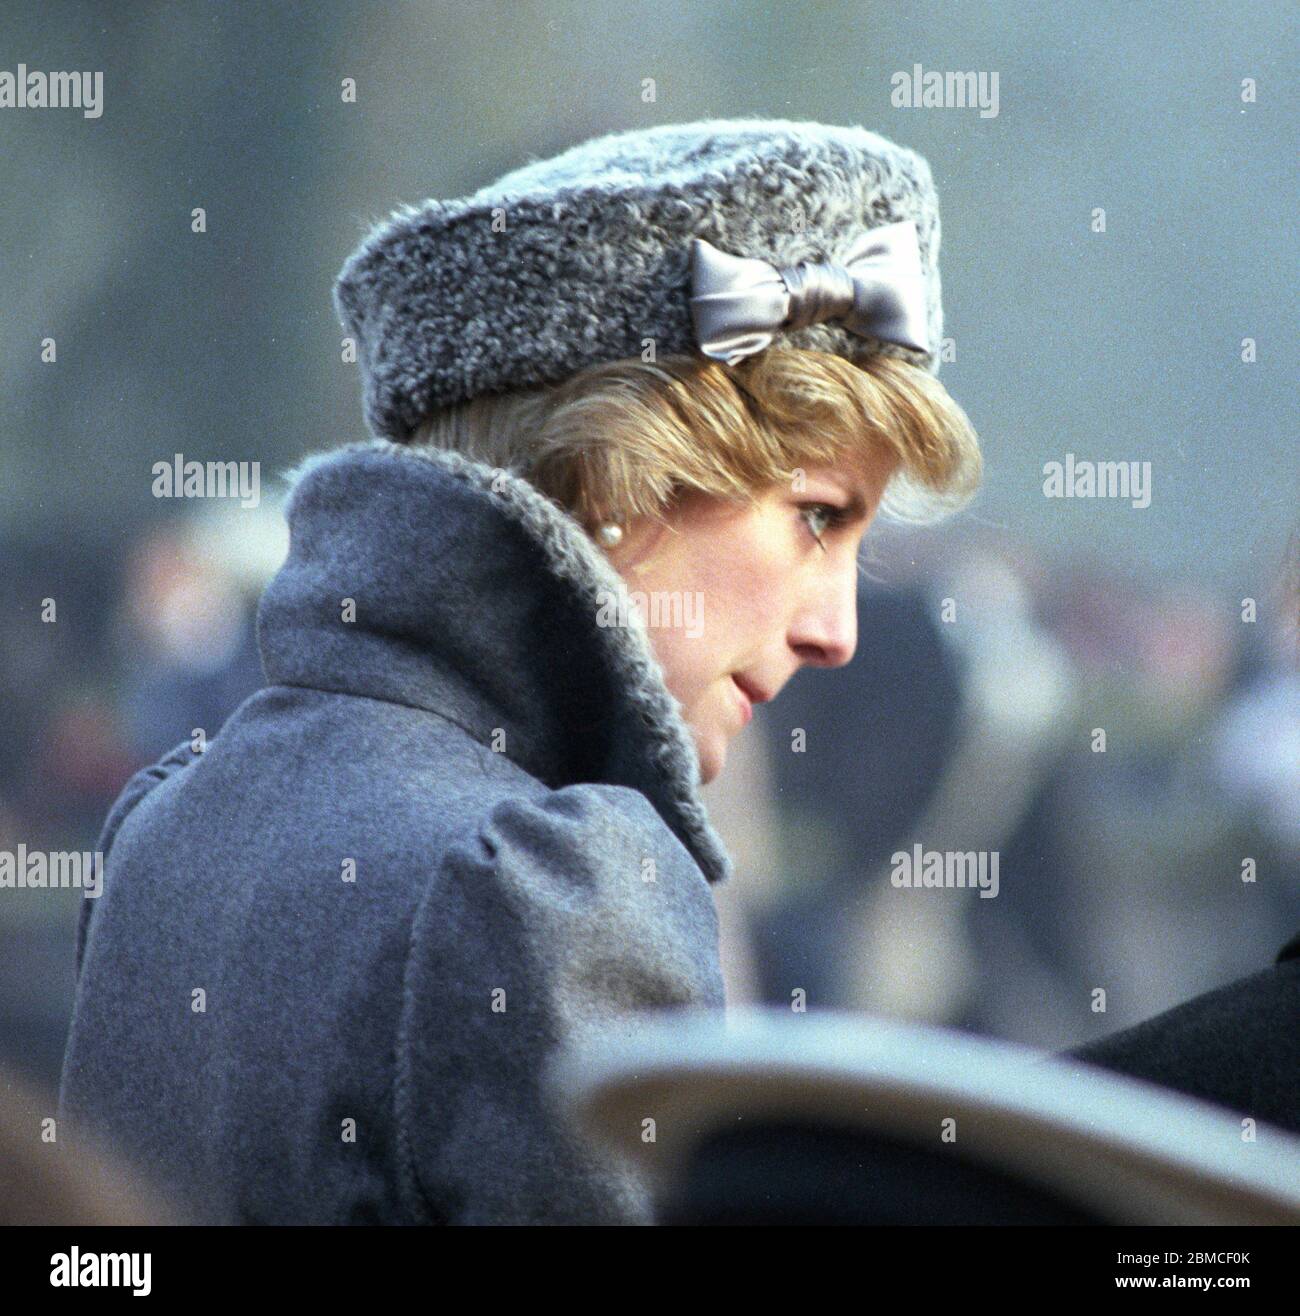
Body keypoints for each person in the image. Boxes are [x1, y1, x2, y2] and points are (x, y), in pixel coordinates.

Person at [58, 118, 980, 1224]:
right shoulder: (542, 881)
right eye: (816, 516)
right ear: (623, 475)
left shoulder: (171, 816)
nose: (839, 630)